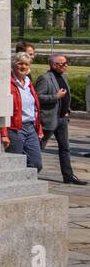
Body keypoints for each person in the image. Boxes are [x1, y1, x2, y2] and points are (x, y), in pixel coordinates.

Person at [36, 53, 87, 184]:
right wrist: (55, 96)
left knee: (65, 148)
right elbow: (37, 98)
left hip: (62, 119)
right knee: (39, 146)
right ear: (53, 65)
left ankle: (68, 175)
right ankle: (30, 170)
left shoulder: (63, 77)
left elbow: (67, 95)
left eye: (66, 63)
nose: (66, 66)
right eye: (63, 64)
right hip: (49, 119)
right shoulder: (45, 78)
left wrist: (67, 110)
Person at [2, 52, 43, 172]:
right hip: (15, 129)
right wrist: (4, 134)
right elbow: (3, 108)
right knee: (13, 163)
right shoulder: (8, 83)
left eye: (26, 64)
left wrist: (38, 128)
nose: (23, 67)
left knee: (36, 164)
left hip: (30, 128)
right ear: (14, 65)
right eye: (20, 63)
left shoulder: (29, 83)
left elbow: (34, 108)